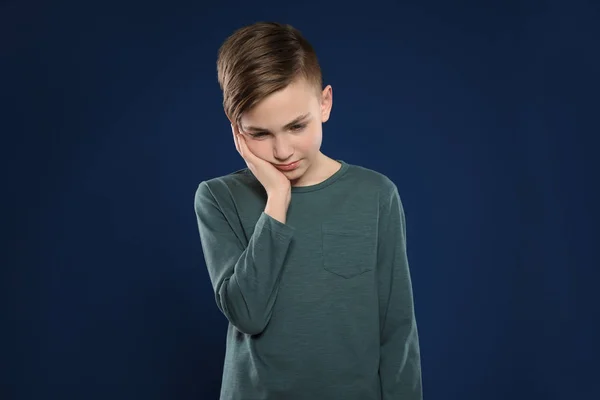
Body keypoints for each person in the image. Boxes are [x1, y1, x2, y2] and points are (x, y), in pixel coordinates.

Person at [194, 21, 423, 400]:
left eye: (296, 126)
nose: (283, 151)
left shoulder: (376, 195)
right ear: (237, 130)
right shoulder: (218, 198)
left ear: (325, 103)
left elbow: (397, 331)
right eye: (260, 134)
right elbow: (248, 314)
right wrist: (277, 199)